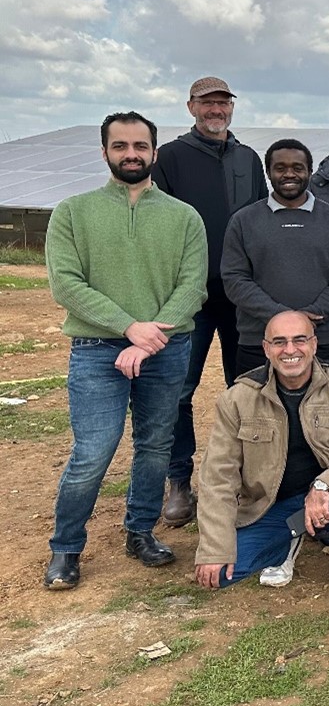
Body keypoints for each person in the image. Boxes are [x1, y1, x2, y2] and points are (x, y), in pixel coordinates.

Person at [42, 111, 208, 589]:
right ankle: (66, 547)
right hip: (96, 348)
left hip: (167, 348)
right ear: (105, 152)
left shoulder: (184, 218)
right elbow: (66, 285)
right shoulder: (72, 212)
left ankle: (139, 532)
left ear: (154, 152)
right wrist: (129, 327)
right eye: (121, 146)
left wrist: (151, 335)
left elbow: (191, 286)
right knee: (93, 451)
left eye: (140, 146)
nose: (131, 154)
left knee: (155, 446)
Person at [193, 312, 329, 605]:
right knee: (224, 574)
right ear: (266, 348)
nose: (290, 350)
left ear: (313, 344)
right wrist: (214, 549)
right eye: (279, 342)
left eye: (299, 340)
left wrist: (325, 486)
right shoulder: (236, 399)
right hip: (273, 507)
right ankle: (290, 537)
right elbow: (217, 477)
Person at [152, 76, 268, 528]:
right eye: (207, 102)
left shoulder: (248, 158)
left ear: (232, 108)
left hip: (241, 295)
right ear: (191, 107)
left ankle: (246, 477)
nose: (216, 109)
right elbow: (158, 225)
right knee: (178, 389)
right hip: (189, 296)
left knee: (247, 390)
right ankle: (179, 481)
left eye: (223, 102)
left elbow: (262, 219)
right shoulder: (172, 159)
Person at [222, 138, 329, 372]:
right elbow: (234, 278)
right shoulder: (243, 220)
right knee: (256, 408)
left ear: (309, 170)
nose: (289, 174)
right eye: (280, 168)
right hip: (259, 340)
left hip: (320, 339)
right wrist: (282, 318)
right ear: (268, 172)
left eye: (297, 168)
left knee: (322, 407)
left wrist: (313, 315)